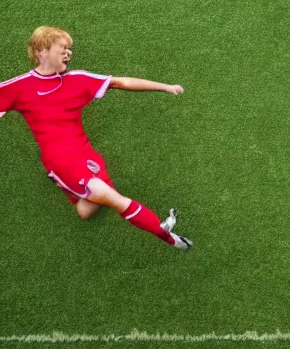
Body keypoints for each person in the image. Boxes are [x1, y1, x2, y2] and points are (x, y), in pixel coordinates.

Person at [0, 26, 192, 250]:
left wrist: (166, 87)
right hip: (60, 160)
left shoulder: (78, 79)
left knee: (86, 210)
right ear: (42, 50)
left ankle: (62, 183)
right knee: (114, 198)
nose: (68, 53)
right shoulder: (19, 87)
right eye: (63, 48)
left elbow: (120, 82)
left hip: (86, 155)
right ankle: (171, 238)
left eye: (69, 49)